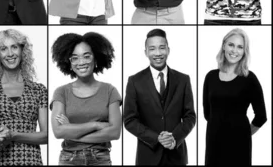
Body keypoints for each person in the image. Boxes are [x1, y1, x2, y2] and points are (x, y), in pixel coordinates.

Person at [0, 29, 48, 165]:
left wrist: (14, 135)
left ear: (22, 51)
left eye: (14, 47)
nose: (10, 54)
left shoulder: (39, 90)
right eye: (3, 49)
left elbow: (46, 136)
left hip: (29, 160)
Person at [123, 29, 196, 165]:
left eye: (162, 48)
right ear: (146, 52)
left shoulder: (183, 80)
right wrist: (157, 138)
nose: (157, 53)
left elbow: (190, 116)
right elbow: (129, 120)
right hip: (147, 156)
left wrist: (174, 138)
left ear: (168, 50)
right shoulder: (135, 81)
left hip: (177, 156)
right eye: (152, 49)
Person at [50, 32, 121, 166]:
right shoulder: (61, 92)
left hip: (100, 159)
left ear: (96, 59)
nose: (81, 62)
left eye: (86, 56)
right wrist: (95, 125)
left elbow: (115, 132)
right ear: (69, 63)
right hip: (69, 159)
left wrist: (71, 130)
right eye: (74, 58)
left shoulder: (110, 91)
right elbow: (58, 131)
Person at [203, 28, 267, 166]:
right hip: (214, 142)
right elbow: (208, 113)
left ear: (244, 51)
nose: (234, 50)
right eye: (231, 45)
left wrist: (241, 134)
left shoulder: (249, 79)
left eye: (240, 47)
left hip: (239, 145)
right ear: (224, 45)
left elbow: (261, 116)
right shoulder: (211, 77)